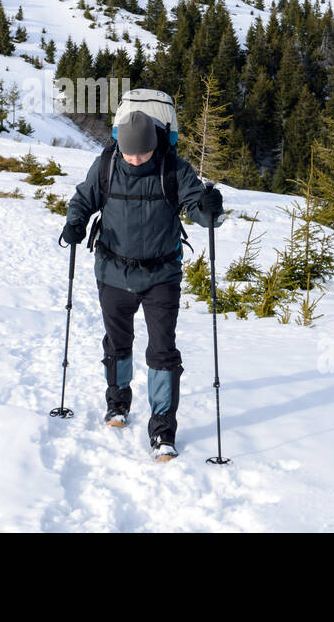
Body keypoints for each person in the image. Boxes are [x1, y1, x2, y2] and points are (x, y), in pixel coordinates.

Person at [60, 109, 224, 461]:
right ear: (119, 145)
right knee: (118, 343)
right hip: (113, 272)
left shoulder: (174, 169)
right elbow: (83, 199)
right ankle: (117, 403)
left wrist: (210, 210)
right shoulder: (105, 165)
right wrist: (74, 223)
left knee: (162, 351)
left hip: (161, 275)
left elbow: (196, 206)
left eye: (143, 153)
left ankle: (163, 428)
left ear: (155, 146)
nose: (135, 160)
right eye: (129, 152)